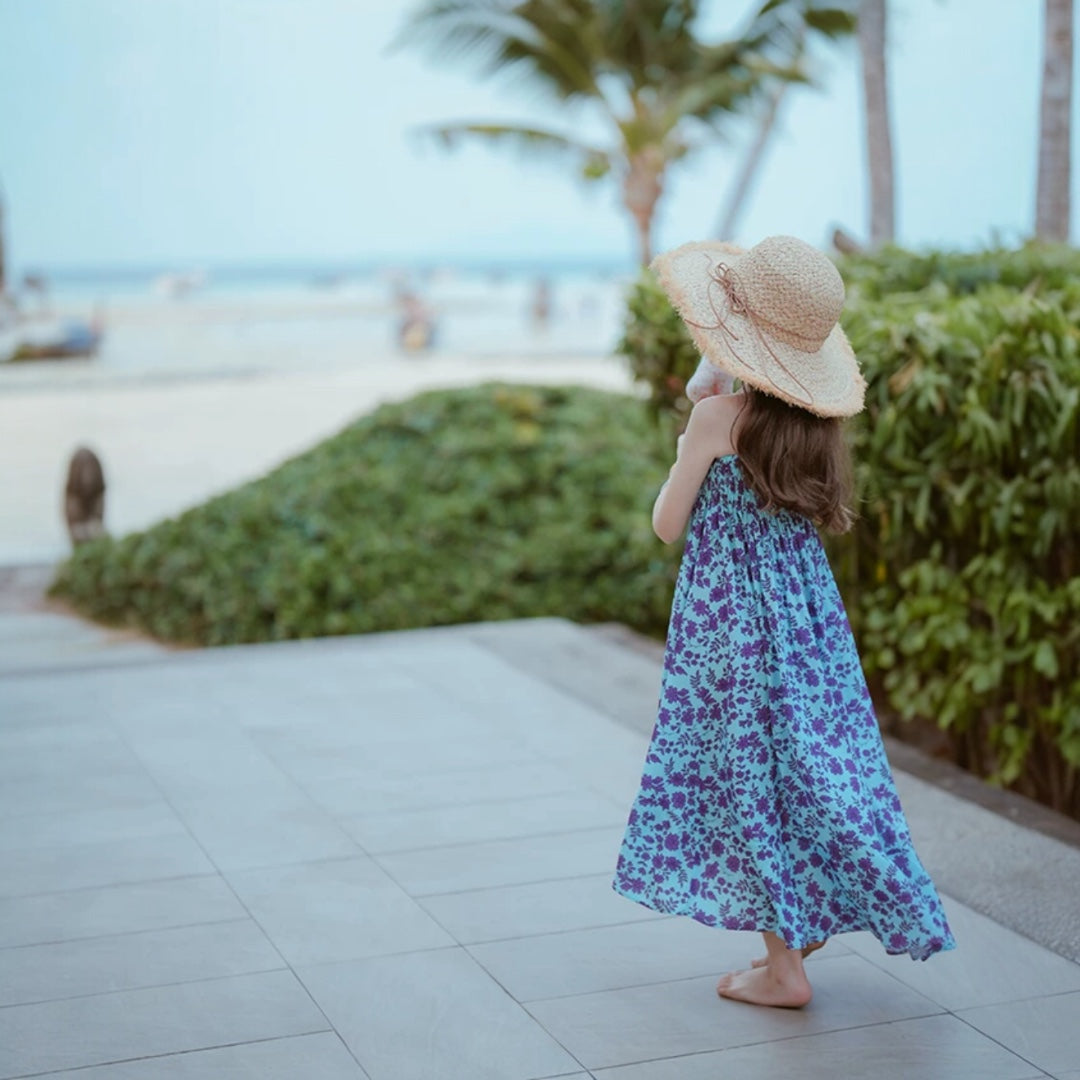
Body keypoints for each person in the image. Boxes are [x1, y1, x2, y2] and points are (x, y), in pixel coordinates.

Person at [612, 235, 955, 1009]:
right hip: (806, 622)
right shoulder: (815, 428)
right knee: (813, 761)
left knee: (747, 774)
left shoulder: (717, 422)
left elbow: (668, 524)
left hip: (728, 621)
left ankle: (783, 968)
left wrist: (687, 439)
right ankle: (804, 924)